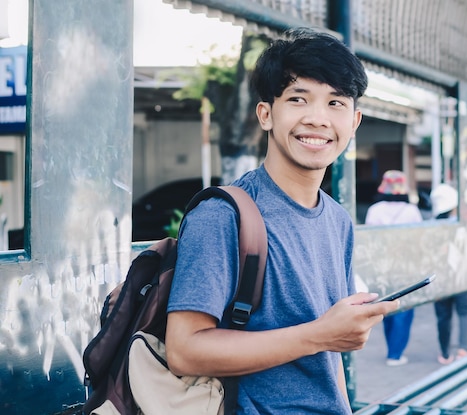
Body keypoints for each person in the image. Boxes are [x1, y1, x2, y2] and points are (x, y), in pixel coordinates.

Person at [165, 28, 399, 414]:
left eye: (336, 103)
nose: (318, 119)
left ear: (354, 122)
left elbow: (330, 354)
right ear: (266, 114)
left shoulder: (337, 220)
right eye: (298, 99)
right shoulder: (223, 215)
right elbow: (185, 350)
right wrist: (321, 334)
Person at [364, 170, 423, 366]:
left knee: (386, 306)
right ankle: (396, 354)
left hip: (382, 266)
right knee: (403, 308)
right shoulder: (411, 211)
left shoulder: (375, 209)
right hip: (406, 266)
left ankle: (392, 349)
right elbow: (419, 240)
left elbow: (369, 239)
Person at [429, 183, 467, 364]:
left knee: (443, 315)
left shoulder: (431, 226)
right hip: (463, 276)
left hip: (440, 278)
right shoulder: (464, 225)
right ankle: (463, 348)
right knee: (465, 311)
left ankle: (445, 352)